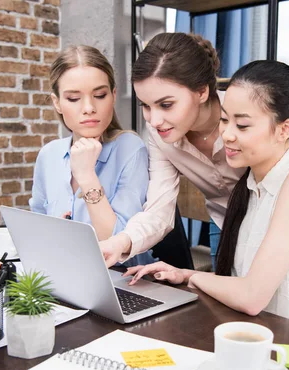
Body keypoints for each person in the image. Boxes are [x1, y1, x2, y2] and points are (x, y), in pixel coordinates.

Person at [123, 60, 289, 340]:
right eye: (225, 120)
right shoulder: (249, 185)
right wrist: (182, 273)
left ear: (284, 129)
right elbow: (240, 286)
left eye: (243, 125)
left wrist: (191, 276)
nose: (227, 134)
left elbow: (251, 296)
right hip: (263, 340)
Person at [100, 32, 246, 269]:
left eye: (166, 105)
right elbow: (159, 209)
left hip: (272, 225)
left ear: (201, 92)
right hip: (223, 223)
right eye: (146, 106)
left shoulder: (243, 113)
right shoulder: (161, 136)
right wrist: (121, 242)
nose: (155, 120)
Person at [29, 45, 154, 265]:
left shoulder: (131, 149)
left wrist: (86, 176)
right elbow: (36, 232)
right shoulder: (49, 155)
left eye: (99, 95)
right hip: (64, 274)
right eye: (74, 99)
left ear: (113, 96)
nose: (89, 108)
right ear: (57, 103)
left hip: (122, 281)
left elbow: (119, 248)